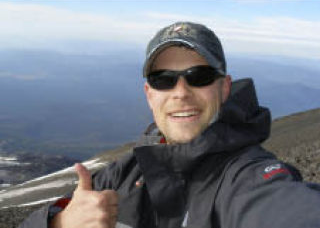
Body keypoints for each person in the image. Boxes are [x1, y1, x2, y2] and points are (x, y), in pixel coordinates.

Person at [19, 21, 320, 228]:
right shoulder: (122, 174)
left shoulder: (246, 177)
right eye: (163, 79)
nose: (180, 92)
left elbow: (289, 211)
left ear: (225, 88)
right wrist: (58, 222)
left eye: (199, 76)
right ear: (149, 95)